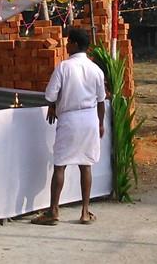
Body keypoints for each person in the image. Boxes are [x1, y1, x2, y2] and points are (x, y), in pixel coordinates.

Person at [32, 28, 106, 226]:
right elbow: (101, 101)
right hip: (90, 119)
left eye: (68, 42)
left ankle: (54, 210)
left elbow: (50, 95)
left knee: (60, 165)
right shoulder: (96, 70)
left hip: (69, 119)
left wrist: (52, 105)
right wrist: (100, 123)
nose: (66, 45)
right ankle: (84, 211)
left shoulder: (64, 67)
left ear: (73, 44)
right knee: (86, 165)